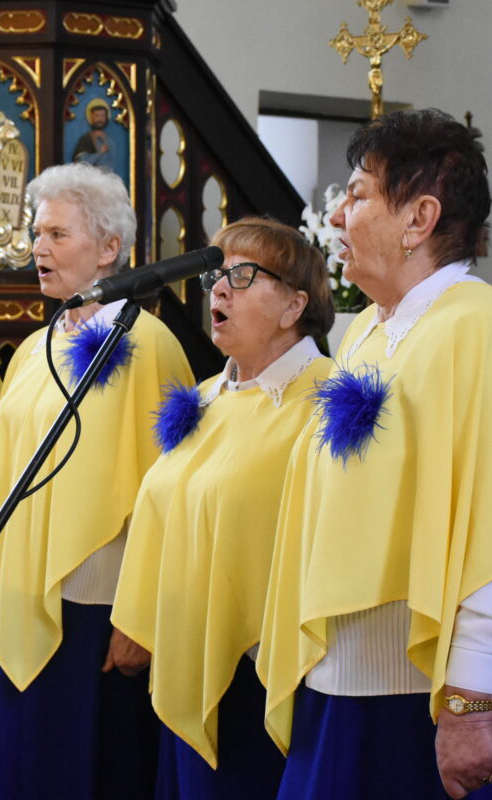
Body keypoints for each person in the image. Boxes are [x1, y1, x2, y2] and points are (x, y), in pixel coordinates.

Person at [256, 109, 492, 800]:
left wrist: (470, 702)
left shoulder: (480, 328)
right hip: (359, 675)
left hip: (437, 694)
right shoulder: (366, 335)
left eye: (356, 197)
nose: (337, 218)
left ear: (419, 218)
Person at [0, 162, 194, 799]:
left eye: (58, 234)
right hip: (20, 594)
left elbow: (169, 492)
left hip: (100, 609)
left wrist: (142, 615)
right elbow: (2, 469)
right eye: (37, 233)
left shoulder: (152, 345)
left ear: (110, 248)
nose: (39, 247)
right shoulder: (34, 350)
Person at [112, 217, 334, 799]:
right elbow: (160, 512)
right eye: (216, 275)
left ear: (294, 306)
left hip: (264, 669)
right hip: (185, 652)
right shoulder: (205, 397)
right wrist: (140, 622)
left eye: (241, 274)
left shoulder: (328, 399)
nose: (219, 288)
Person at [72, 99, 113, 170]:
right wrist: (99, 154)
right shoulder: (86, 139)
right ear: (91, 117)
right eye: (97, 116)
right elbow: (80, 161)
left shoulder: (110, 140)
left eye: (102, 116)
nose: (100, 119)